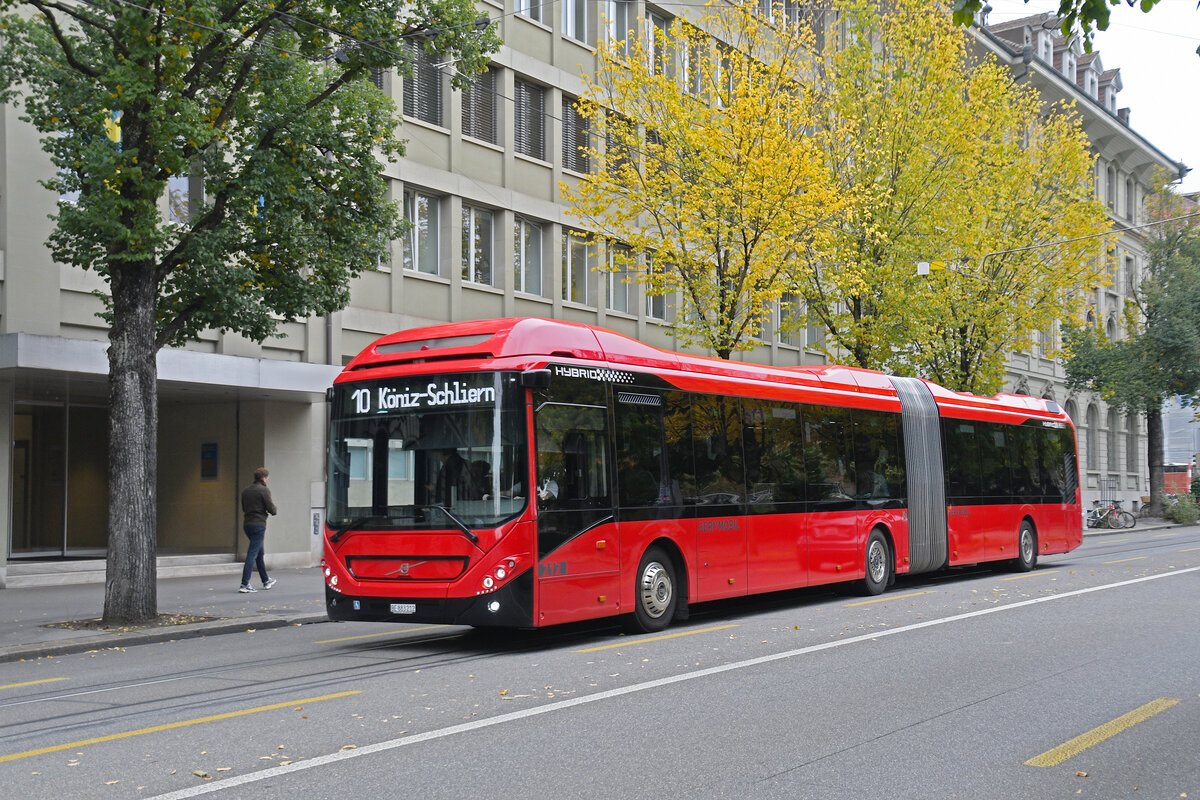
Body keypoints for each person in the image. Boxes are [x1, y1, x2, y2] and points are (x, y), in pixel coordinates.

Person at [239, 467, 278, 593]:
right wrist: (273, 510)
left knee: (259, 554)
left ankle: (266, 580)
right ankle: (244, 584)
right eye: (267, 478)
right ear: (263, 478)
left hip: (247, 524)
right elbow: (272, 509)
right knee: (252, 554)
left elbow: (244, 508)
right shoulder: (263, 490)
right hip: (258, 525)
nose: (267, 480)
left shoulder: (246, 491)